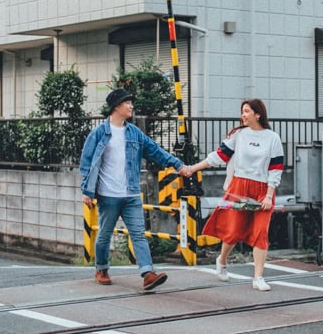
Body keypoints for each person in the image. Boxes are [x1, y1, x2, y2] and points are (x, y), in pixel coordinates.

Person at [80, 88, 186, 291]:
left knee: (138, 234)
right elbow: (86, 162)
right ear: (116, 106)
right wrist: (86, 191)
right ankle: (101, 269)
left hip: (131, 194)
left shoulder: (134, 133)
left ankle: (148, 274)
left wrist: (178, 165)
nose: (131, 106)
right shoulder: (99, 133)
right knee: (104, 234)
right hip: (108, 195)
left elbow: (155, 151)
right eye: (127, 103)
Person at [181, 99, 284, 291]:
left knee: (261, 232)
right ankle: (222, 260)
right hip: (239, 186)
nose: (243, 115)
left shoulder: (273, 138)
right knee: (234, 230)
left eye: (247, 111)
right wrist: (193, 168)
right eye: (242, 111)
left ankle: (258, 277)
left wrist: (269, 194)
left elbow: (276, 167)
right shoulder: (238, 135)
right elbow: (218, 156)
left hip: (263, 190)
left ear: (258, 114)